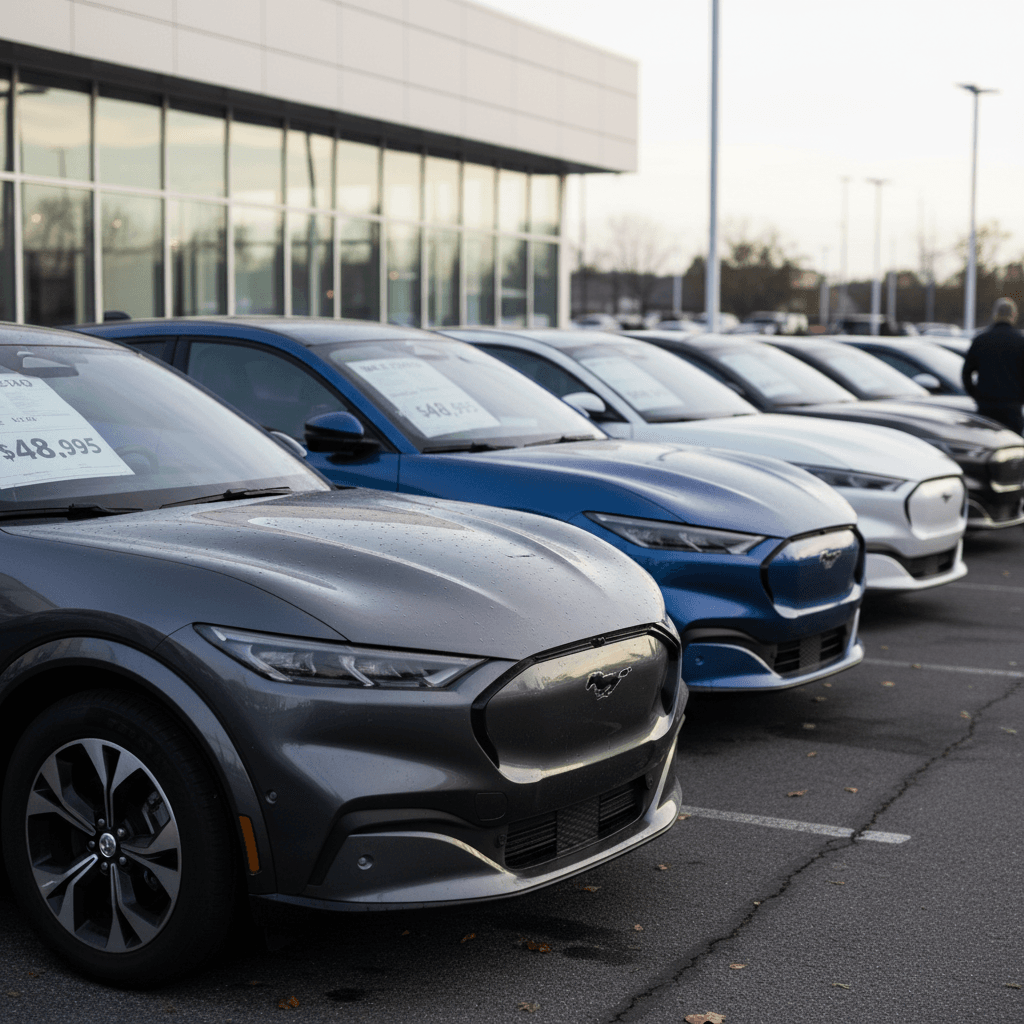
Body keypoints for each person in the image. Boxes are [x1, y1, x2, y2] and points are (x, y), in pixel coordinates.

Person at [961, 297, 1024, 434]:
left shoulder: (981, 340)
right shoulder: (1020, 341)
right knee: (1012, 448)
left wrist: (976, 395)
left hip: (986, 406)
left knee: (986, 447)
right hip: (1012, 407)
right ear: (1013, 315)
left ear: (995, 314)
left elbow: (966, 373)